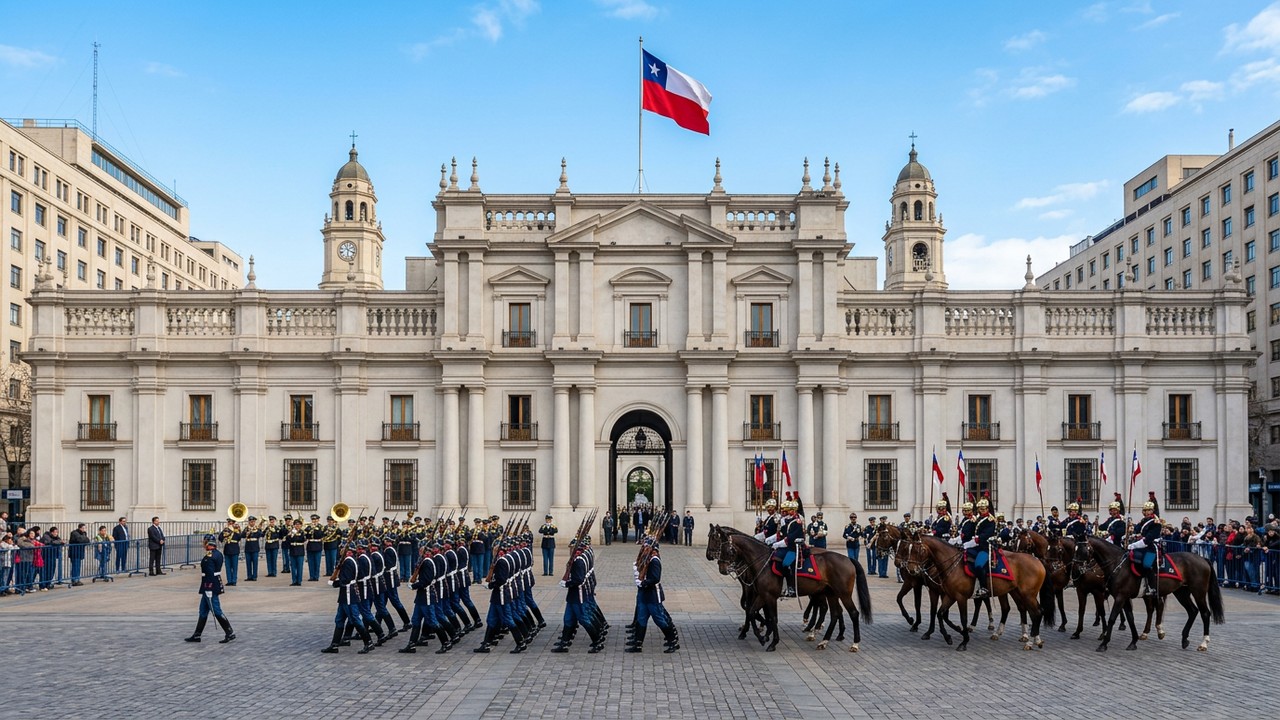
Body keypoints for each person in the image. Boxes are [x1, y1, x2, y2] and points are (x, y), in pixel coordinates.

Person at [626, 538, 678, 653]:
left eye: (647, 547)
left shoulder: (654, 561)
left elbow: (655, 578)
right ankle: (638, 644)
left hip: (653, 595)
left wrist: (643, 582)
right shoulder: (648, 559)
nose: (644, 548)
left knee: (659, 619)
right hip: (646, 594)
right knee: (641, 618)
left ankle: (673, 641)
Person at [322, 540, 374, 654]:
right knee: (339, 619)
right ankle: (334, 644)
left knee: (355, 619)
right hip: (345, 595)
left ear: (348, 551)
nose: (340, 550)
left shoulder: (348, 562)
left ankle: (368, 642)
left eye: (342, 548)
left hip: (349, 594)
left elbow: (345, 580)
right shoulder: (351, 560)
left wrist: (334, 583)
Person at [185, 535, 236, 643]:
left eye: (205, 542)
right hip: (211, 584)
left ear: (208, 543)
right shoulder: (217, 553)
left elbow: (209, 573)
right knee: (203, 611)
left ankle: (229, 632)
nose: (203, 544)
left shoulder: (210, 556)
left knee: (216, 610)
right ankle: (197, 635)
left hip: (209, 585)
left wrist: (208, 588)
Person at [1127, 501, 1163, 597]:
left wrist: (1132, 545)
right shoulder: (1144, 521)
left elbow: (1147, 540)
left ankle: (1152, 587)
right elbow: (1137, 530)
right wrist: (1131, 531)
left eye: (1149, 510)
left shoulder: (1156, 522)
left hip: (1151, 547)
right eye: (1145, 510)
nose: (1146, 512)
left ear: (1152, 511)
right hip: (1143, 545)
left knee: (1147, 564)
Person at [771, 500, 805, 598]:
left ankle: (791, 587)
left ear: (793, 510)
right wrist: (770, 541)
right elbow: (781, 534)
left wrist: (777, 544)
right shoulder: (789, 520)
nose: (787, 511)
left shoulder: (797, 522)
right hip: (787, 547)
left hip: (794, 548)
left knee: (786, 564)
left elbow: (789, 538)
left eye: (789, 510)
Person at [963, 498, 996, 598]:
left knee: (978, 565)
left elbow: (986, 534)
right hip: (977, 546)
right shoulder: (979, 518)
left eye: (983, 509)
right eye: (979, 509)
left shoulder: (990, 520)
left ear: (987, 509)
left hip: (985, 547)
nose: (981, 511)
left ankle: (984, 587)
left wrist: (976, 539)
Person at [219, 520, 241, 586]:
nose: (231, 524)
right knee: (227, 567)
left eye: (232, 523)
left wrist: (237, 530)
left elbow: (239, 537)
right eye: (229, 522)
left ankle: (234, 580)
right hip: (227, 550)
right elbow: (220, 538)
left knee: (234, 566)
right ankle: (229, 580)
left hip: (234, 550)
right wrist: (224, 532)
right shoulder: (226, 530)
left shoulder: (236, 530)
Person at [286, 519, 306, 586]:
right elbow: (288, 540)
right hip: (293, 550)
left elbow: (302, 539)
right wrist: (291, 535)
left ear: (300, 525)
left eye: (299, 525)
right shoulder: (291, 532)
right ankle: (294, 580)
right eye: (296, 525)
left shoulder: (302, 532)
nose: (297, 526)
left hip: (300, 551)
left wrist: (295, 536)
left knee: (299, 567)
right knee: (293, 567)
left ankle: (299, 581)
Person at [243, 516, 262, 582]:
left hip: (255, 548)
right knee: (248, 563)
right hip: (248, 548)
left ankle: (254, 576)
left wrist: (256, 530)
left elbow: (261, 535)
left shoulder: (257, 528)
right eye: (250, 522)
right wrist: (247, 533)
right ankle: (249, 576)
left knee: (255, 563)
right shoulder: (246, 528)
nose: (252, 523)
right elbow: (242, 535)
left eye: (253, 522)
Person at [0, 531, 15, 595]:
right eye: (8, 538)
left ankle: (5, 588)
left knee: (6, 577)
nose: (10, 539)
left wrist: (12, 545)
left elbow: (16, 547)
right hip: (3, 563)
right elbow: (7, 547)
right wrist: (11, 545)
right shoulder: (2, 543)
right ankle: (2, 590)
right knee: (3, 577)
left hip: (8, 563)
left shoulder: (8, 544)